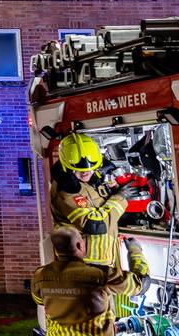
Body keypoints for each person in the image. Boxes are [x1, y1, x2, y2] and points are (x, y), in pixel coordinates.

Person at [32, 227, 148, 336]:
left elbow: (40, 301)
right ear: (79, 246)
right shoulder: (100, 275)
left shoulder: (39, 276)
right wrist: (135, 250)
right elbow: (140, 283)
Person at [50, 132, 138, 268]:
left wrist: (113, 190)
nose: (85, 173)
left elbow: (98, 203)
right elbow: (96, 225)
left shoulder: (88, 182)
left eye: (89, 169)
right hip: (87, 263)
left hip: (106, 259)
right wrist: (120, 198)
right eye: (78, 170)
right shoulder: (66, 192)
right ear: (66, 167)